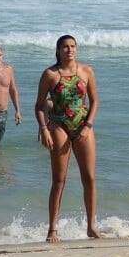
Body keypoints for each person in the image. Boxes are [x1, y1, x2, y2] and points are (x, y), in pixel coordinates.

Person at [35, 35, 102, 242]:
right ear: (57, 50)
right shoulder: (50, 74)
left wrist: (88, 125)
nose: (69, 50)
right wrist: (44, 128)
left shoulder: (86, 71)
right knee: (59, 180)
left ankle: (91, 226)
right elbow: (39, 106)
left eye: (73, 46)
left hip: (83, 125)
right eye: (65, 47)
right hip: (59, 126)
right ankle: (52, 229)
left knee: (89, 177)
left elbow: (94, 101)